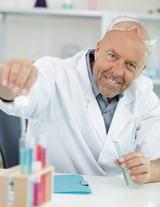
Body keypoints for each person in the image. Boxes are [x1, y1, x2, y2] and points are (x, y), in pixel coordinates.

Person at [0, 16, 160, 184]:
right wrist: (8, 79)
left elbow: (157, 159)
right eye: (112, 56)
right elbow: (18, 95)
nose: (117, 71)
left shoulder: (143, 92)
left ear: (141, 70)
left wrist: (149, 170)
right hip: (55, 198)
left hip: (116, 200)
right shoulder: (55, 73)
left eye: (130, 65)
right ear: (98, 50)